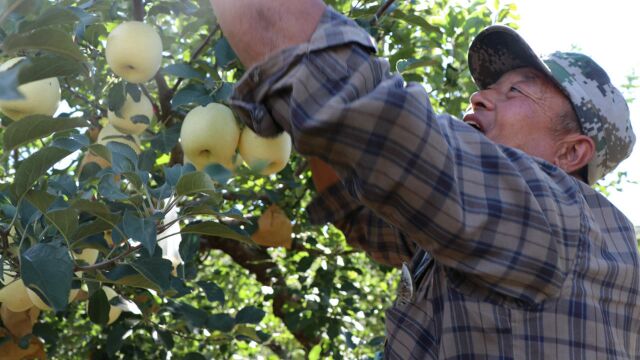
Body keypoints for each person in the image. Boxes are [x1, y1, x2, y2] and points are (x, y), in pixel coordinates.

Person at [209, 0, 639, 358]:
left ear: (571, 152)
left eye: (516, 91)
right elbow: (360, 210)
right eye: (490, 87)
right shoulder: (495, 238)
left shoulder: (562, 217)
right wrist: (296, 111)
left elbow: (371, 119)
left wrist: (280, 37)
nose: (478, 97)